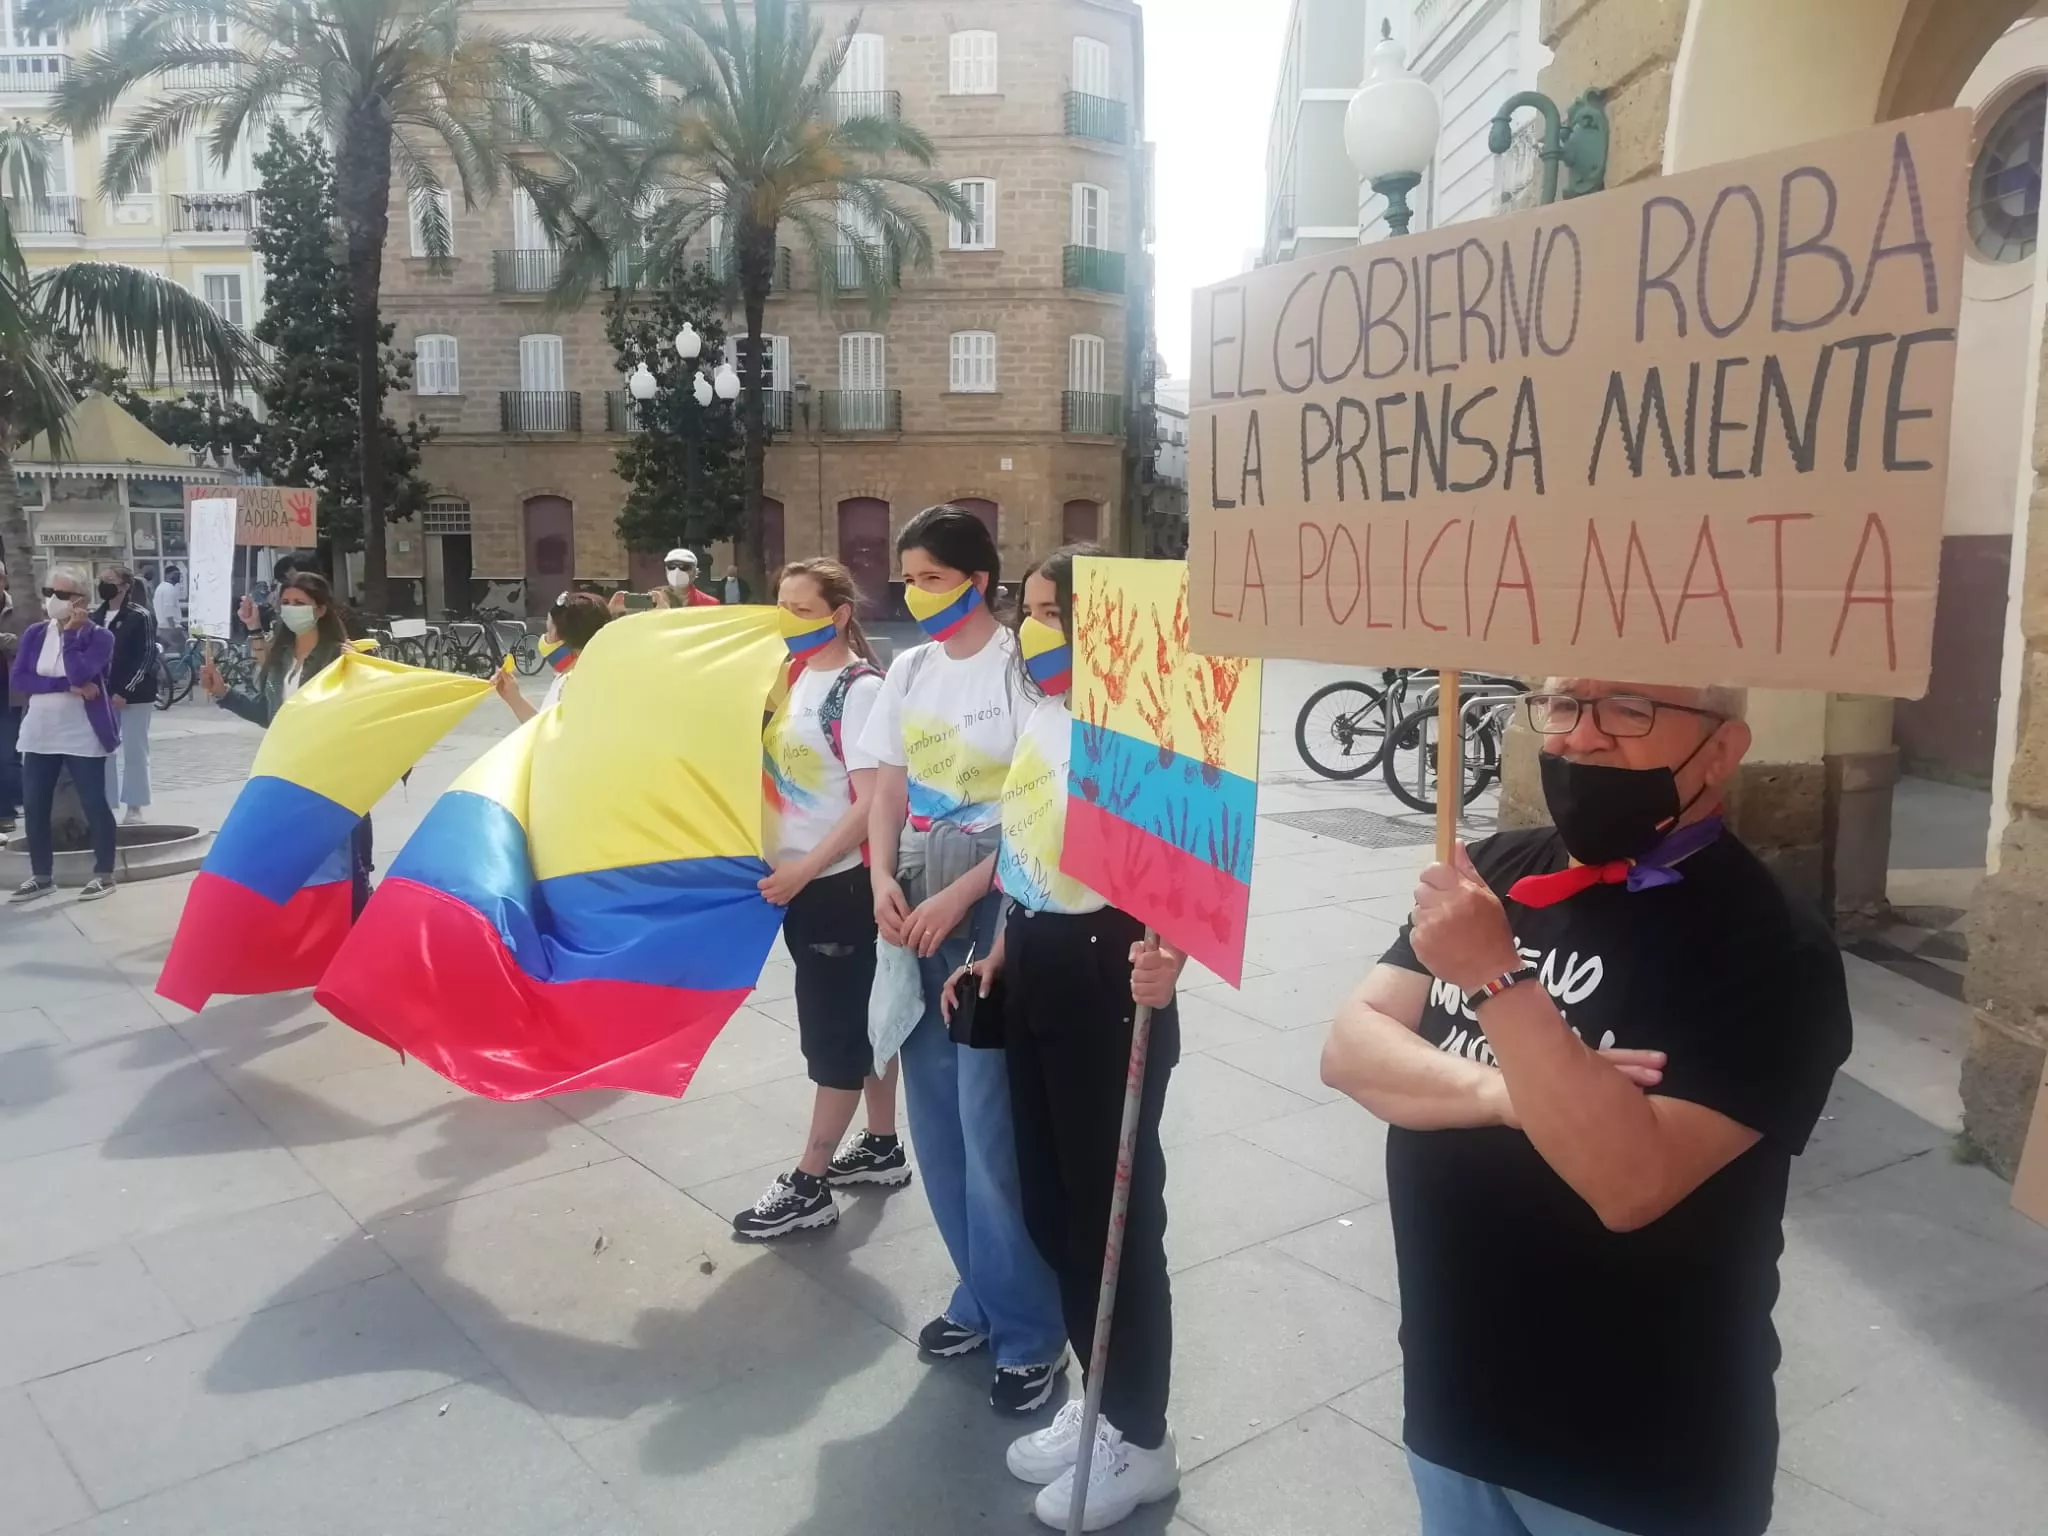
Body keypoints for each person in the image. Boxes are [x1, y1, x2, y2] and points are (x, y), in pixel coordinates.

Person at [1320, 680, 1853, 1536]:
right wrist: (1515, 1091)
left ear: (1721, 751)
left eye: (1629, 709)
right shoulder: (1493, 872)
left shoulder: (1770, 945)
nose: (1581, 738)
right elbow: (1352, 1047)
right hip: (1454, 1403)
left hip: (1633, 1459)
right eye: (1563, 704)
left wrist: (1495, 981)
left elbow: (1627, 1179)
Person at [943, 544, 1186, 1529]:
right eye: (1033, 610)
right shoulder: (1044, 712)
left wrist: (1171, 965)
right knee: (1051, 1208)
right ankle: (1099, 1397)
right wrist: (1001, 948)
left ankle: (1138, 1432)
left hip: (1113, 971)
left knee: (1113, 1218)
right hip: (1037, 954)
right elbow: (1024, 847)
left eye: (1063, 616)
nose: (1041, 629)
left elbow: (1188, 869)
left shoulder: (1153, 719)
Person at [860, 504, 1066, 1415]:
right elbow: (887, 788)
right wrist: (879, 880)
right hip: (913, 893)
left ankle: (1032, 1329)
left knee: (990, 1127)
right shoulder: (905, 668)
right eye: (909, 576)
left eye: (934, 578)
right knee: (932, 1114)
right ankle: (977, 1293)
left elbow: (1042, 807)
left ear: (980, 579)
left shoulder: (1022, 668)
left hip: (997, 896)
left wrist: (965, 896)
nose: (917, 592)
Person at [732, 558, 913, 1239]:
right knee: (860, 1018)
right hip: (802, 883)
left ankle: (809, 1182)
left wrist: (804, 869)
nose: (788, 618)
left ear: (839, 614)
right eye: (782, 604)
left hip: (835, 888)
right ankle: (883, 1143)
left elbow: (871, 804)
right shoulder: (792, 679)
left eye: (803, 609)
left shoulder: (858, 690)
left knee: (833, 1033)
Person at [201, 571, 377, 918]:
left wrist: (360, 671)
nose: (291, 609)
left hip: (334, 781)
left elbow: (363, 712)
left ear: (321, 609)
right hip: (289, 775)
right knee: (295, 869)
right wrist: (223, 693)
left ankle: (353, 939)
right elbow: (271, 716)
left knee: (344, 871)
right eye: (285, 603)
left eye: (300, 604)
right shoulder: (281, 658)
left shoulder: (340, 657)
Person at [8, 566, 119, 902]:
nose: (52, 600)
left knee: (94, 802)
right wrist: (65, 686)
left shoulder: (100, 637)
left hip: (82, 732)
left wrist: (71, 635)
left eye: (61, 594)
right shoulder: (35, 634)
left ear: (80, 600)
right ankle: (42, 875)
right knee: (36, 804)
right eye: (48, 593)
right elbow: (20, 679)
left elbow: (82, 671)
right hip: (40, 731)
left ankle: (104, 873)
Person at [93, 566, 157, 824]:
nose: (105, 585)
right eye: (102, 581)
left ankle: (135, 806)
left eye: (111, 581)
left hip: (135, 696)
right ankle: (106, 804)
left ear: (125, 586)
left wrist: (125, 691)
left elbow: (147, 656)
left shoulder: (140, 616)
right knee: (104, 750)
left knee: (135, 750)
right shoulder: (95, 616)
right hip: (102, 696)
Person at [492, 590, 611, 723]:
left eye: (548, 631)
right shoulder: (601, 675)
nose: (545, 638)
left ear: (559, 638)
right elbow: (545, 727)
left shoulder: (569, 687)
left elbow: (547, 736)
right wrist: (514, 699)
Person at [0, 558, 23, 837]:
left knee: (7, 755)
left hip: (9, 694)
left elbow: (25, 641)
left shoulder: (17, 609)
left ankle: (8, 810)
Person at [152, 564, 186, 649]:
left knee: (165, 651)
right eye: (175, 574)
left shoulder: (160, 587)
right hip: (170, 627)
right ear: (168, 575)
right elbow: (168, 608)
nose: (178, 576)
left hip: (162, 626)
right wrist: (173, 626)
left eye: (179, 574)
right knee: (184, 649)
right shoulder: (169, 588)